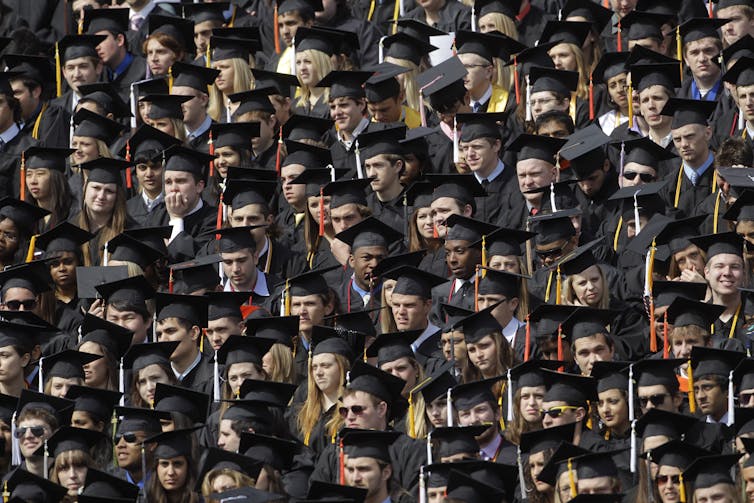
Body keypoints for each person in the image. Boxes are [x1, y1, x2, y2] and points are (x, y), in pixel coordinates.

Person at [84, 8, 146, 102]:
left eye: (101, 39)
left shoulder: (145, 72)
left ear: (120, 40)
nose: (97, 47)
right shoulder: (98, 76)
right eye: (94, 42)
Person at [144, 428, 200, 503]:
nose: (171, 472)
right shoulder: (144, 499)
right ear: (156, 467)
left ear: (188, 467)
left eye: (177, 464)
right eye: (164, 464)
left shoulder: (204, 500)